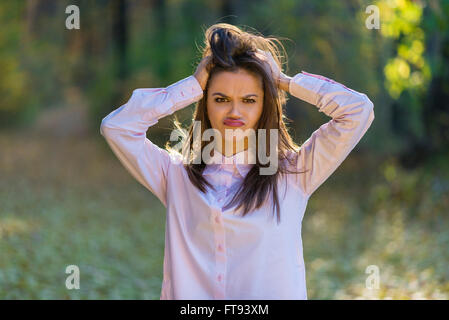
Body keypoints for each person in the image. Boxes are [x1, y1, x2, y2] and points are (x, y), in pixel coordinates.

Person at [100, 23, 375, 300]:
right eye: (221, 98)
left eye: (249, 99)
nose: (234, 111)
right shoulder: (175, 175)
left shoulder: (294, 173)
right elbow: (117, 127)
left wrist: (283, 81)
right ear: (205, 102)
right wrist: (192, 85)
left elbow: (358, 111)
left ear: (264, 105)